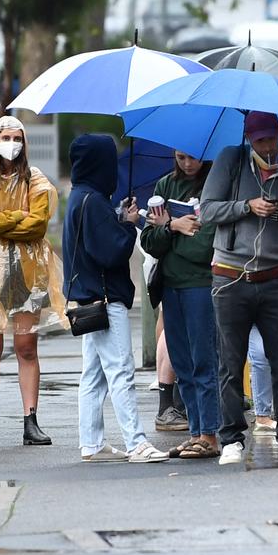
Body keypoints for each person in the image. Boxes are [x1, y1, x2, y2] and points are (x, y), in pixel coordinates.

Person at [200, 111, 278, 466]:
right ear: (248, 139)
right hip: (230, 276)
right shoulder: (231, 160)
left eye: (273, 138)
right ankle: (231, 439)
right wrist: (246, 206)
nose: (269, 147)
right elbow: (208, 210)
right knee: (230, 362)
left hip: (273, 276)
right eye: (261, 141)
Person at [0, 115, 69, 448]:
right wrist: (17, 216)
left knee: (25, 347)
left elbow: (37, 227)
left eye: (17, 137)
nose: (11, 143)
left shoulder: (36, 179)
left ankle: (30, 422)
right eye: (5, 137)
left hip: (26, 273)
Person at [63, 134, 169, 464]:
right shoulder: (94, 201)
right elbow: (112, 251)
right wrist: (129, 225)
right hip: (107, 300)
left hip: (89, 301)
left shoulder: (80, 196)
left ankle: (91, 441)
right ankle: (136, 442)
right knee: (120, 370)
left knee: (93, 376)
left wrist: (119, 217)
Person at [140, 152, 221, 459]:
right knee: (182, 364)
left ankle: (209, 434)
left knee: (204, 361)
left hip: (200, 285)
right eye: (181, 158)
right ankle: (195, 432)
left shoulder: (213, 187)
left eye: (194, 159)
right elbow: (150, 242)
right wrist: (174, 226)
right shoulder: (165, 185)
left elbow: (205, 246)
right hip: (170, 287)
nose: (188, 164)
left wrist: (171, 235)